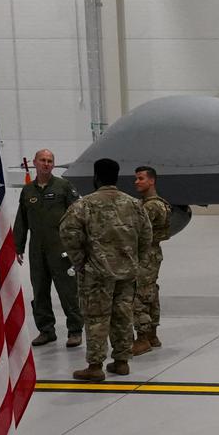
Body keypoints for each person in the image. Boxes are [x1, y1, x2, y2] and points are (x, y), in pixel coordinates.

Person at [59, 158, 152, 382]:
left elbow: (67, 232)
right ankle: (121, 362)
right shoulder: (133, 204)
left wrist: (81, 261)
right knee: (122, 316)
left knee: (97, 318)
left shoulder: (85, 204)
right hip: (127, 272)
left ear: (96, 177)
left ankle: (95, 365)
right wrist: (135, 261)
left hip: (97, 274)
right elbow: (147, 235)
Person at [14, 148, 82, 348]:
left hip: (61, 250)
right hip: (37, 250)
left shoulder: (63, 187)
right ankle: (46, 330)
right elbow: (21, 221)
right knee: (40, 291)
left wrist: (77, 245)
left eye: (50, 161)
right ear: (34, 162)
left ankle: (75, 330)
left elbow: (78, 215)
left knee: (68, 291)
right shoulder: (28, 191)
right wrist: (17, 246)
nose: (46, 164)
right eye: (42, 160)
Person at [130, 166, 173, 356]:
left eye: (141, 178)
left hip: (144, 255)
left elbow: (134, 230)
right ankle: (152, 335)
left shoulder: (150, 206)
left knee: (139, 295)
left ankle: (142, 338)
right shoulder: (157, 203)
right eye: (136, 178)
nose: (136, 182)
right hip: (152, 253)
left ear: (152, 181)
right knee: (151, 293)